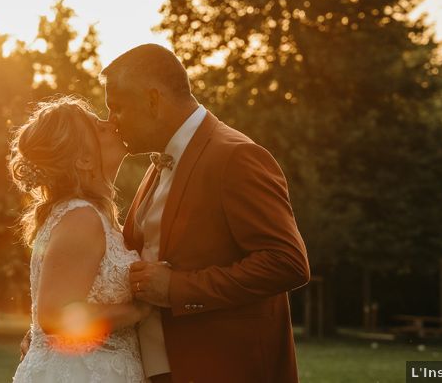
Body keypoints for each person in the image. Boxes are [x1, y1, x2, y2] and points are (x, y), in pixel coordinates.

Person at [104, 43, 310, 383]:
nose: (112, 122)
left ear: (153, 100)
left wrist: (179, 289)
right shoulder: (158, 164)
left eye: (118, 108)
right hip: (156, 369)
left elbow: (287, 262)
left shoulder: (236, 157)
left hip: (221, 367)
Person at [10, 96, 151, 383]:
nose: (111, 123)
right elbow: (52, 316)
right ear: (84, 159)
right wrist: (137, 310)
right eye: (99, 127)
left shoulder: (88, 214)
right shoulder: (81, 217)